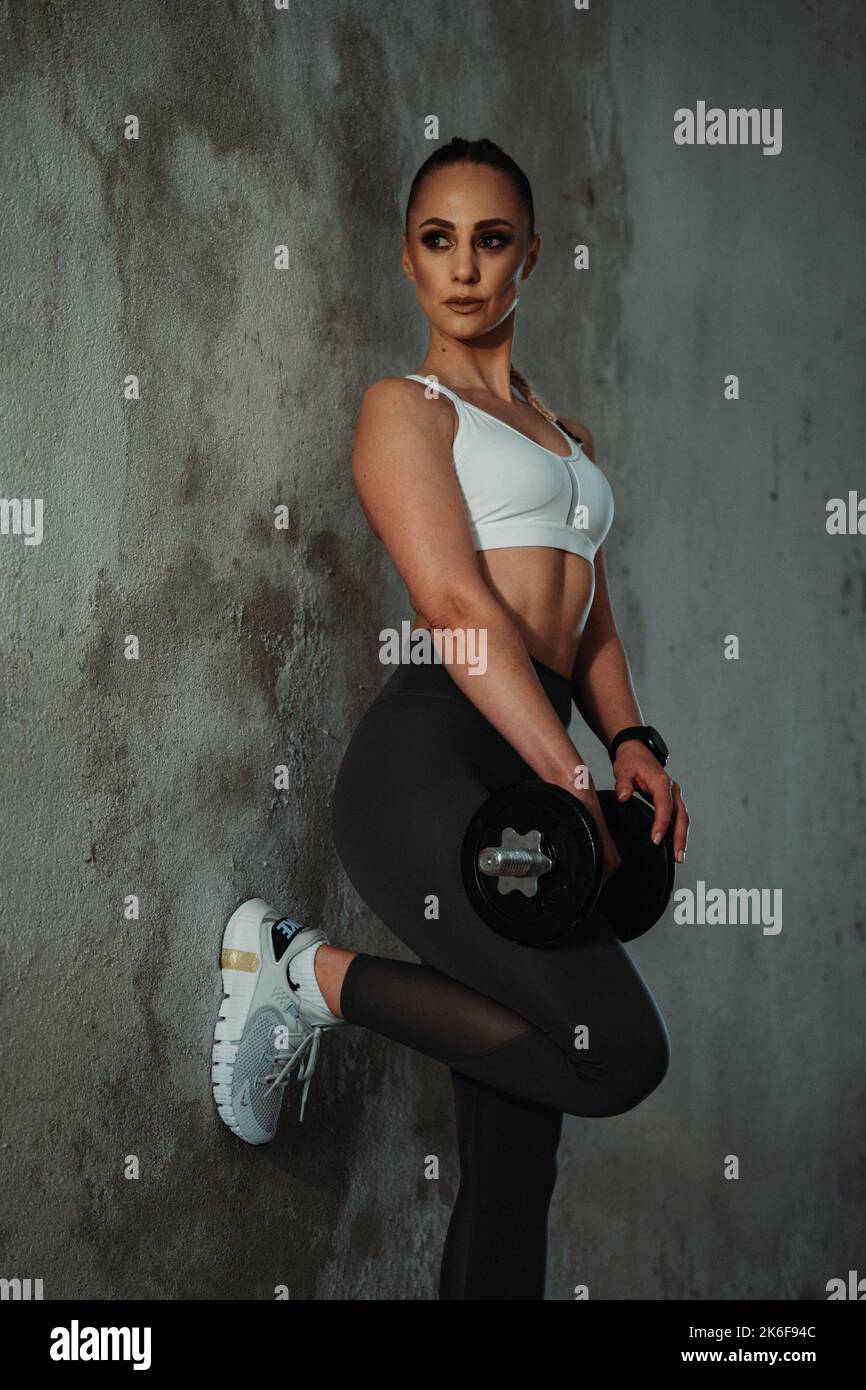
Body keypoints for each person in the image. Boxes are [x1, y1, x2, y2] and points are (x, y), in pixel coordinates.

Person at [211, 136, 689, 1300]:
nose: (464, 267)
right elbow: (453, 603)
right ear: (410, 260)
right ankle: (301, 974)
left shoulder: (564, 437)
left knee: (516, 1160)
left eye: (489, 241)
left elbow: (588, 620)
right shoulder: (405, 408)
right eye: (438, 240)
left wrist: (628, 745)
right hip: (429, 770)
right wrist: (565, 779)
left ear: (529, 256)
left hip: (533, 763)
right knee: (613, 1052)